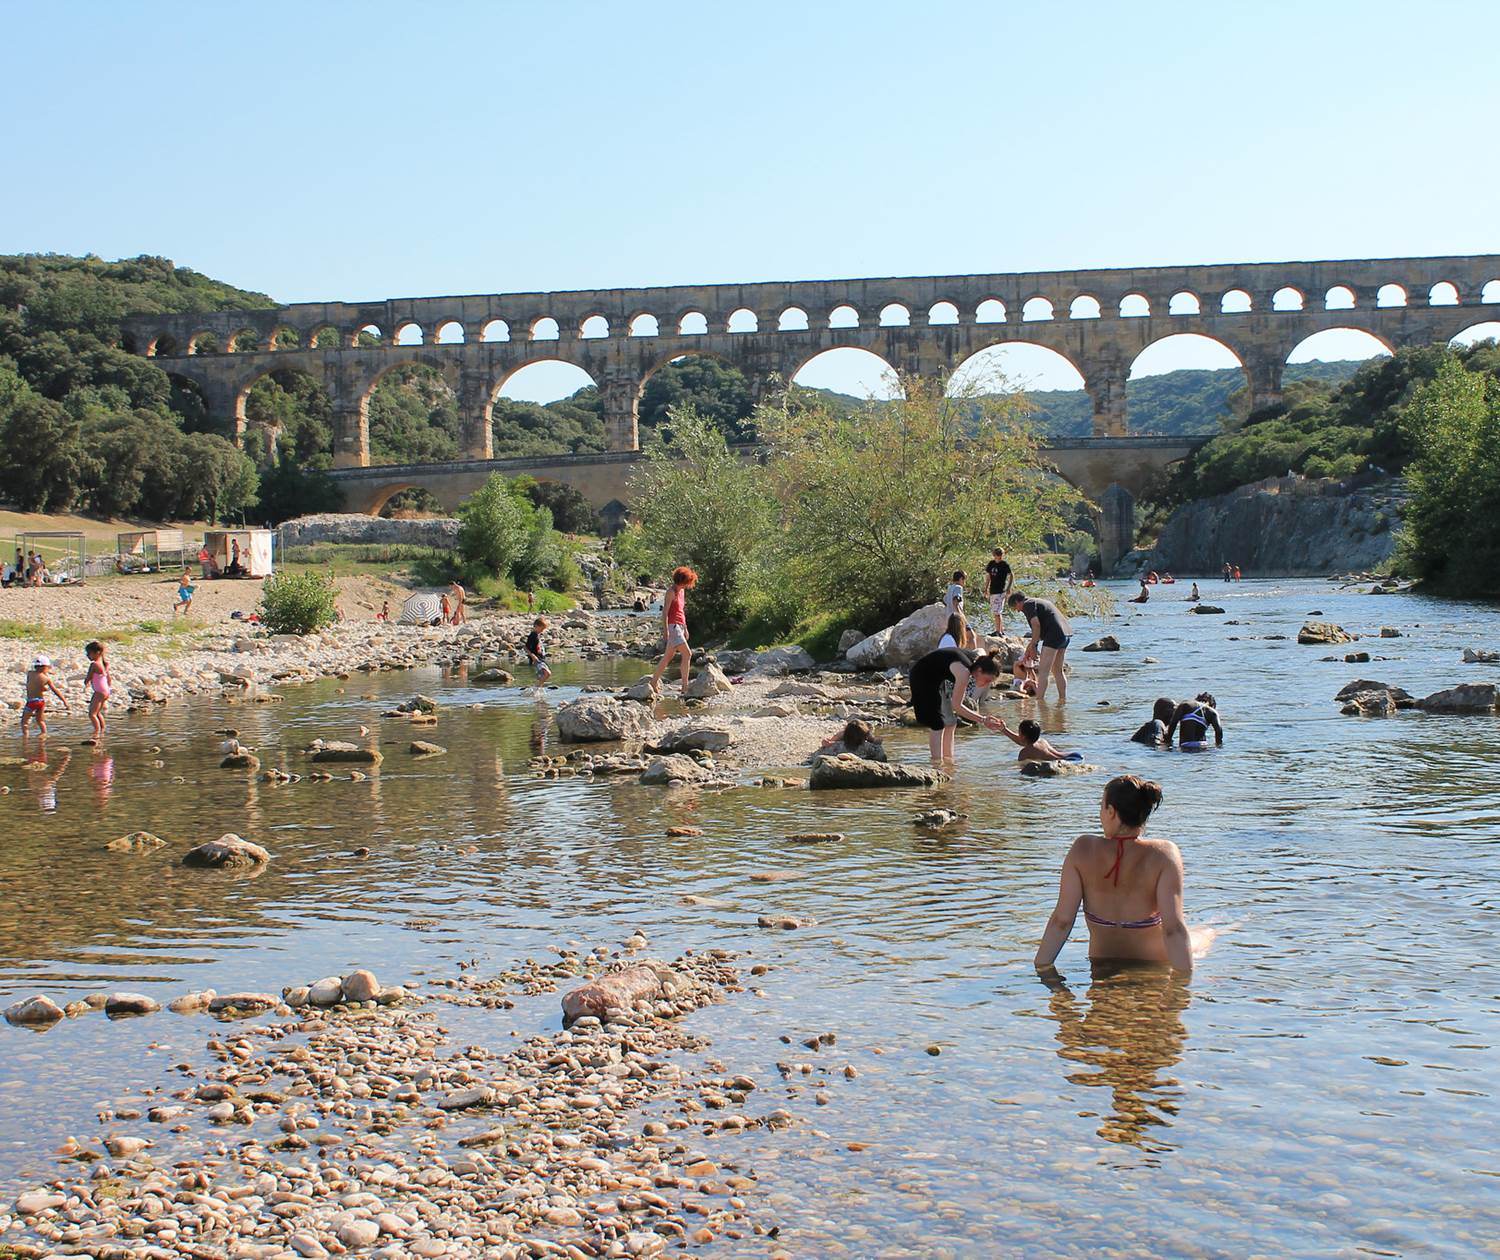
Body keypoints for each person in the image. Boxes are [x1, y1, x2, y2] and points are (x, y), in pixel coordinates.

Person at [1033, 775, 1193, 975]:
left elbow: (1062, 921)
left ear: (1111, 811)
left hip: (1102, 966)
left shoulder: (1082, 849)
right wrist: (1184, 986)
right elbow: (1174, 929)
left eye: (1101, 807)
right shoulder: (1164, 854)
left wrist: (1041, 968)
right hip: (1153, 967)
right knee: (1202, 936)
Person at [908, 646, 1005, 763]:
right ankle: (937, 765)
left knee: (951, 723)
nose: (986, 684)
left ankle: (949, 762)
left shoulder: (977, 661)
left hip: (938, 679)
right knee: (937, 725)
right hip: (921, 677)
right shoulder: (964, 672)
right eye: (987, 680)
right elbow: (957, 706)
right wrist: (983, 720)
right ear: (979, 671)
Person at [1008, 591, 1072, 702]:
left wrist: (1033, 645)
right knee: (1058, 671)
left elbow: (1036, 624)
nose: (1018, 611)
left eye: (1015, 607)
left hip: (1054, 635)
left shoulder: (1027, 605)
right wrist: (1033, 645)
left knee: (1043, 671)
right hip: (1065, 634)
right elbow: (1040, 627)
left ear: (1018, 601)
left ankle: (1040, 701)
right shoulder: (1037, 601)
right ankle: (1062, 700)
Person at [650, 566, 698, 695]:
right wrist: (666, 630)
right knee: (687, 654)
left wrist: (685, 628)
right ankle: (685, 686)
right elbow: (665, 612)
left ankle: (653, 682)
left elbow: (681, 611)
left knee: (668, 656)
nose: (688, 585)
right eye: (687, 581)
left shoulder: (682, 591)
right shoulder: (671, 592)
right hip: (673, 626)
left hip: (680, 626)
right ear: (682, 580)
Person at [21, 655, 69, 737]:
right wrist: (64, 701)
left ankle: (25, 736)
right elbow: (55, 691)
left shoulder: (30, 674)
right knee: (40, 720)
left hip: (31, 701)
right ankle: (44, 733)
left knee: (24, 722)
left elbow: (31, 683)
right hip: (41, 702)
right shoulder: (46, 679)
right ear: (46, 667)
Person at [1000, 717, 1079, 762]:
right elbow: (1023, 741)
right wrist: (1004, 729)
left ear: (1023, 736)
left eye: (1019, 732)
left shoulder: (1024, 752)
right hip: (1073, 756)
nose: (1018, 734)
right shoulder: (1042, 741)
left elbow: (1021, 768)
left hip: (1068, 762)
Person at [83, 640, 111, 742]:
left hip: (99, 691)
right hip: (106, 691)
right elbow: (109, 678)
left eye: (89, 653)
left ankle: (96, 733)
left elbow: (88, 677)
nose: (87, 656)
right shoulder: (104, 664)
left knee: (92, 714)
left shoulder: (94, 664)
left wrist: (86, 682)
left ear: (97, 652)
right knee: (98, 713)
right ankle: (102, 730)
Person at [985, 547, 1013, 631]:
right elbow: (988, 577)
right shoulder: (991, 564)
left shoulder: (1004, 564)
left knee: (997, 611)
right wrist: (986, 588)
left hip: (1001, 590)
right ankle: (1000, 630)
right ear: (994, 555)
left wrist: (1008, 587)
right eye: (997, 554)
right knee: (995, 611)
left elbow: (1011, 575)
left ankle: (998, 631)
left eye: (1001, 554)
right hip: (993, 590)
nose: (999, 556)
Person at [525, 616, 552, 684]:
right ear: (536, 626)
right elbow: (526, 647)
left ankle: (537, 689)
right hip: (537, 659)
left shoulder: (537, 635)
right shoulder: (533, 635)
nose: (542, 631)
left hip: (540, 659)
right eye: (541, 629)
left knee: (543, 675)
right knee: (547, 673)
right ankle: (537, 687)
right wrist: (533, 656)